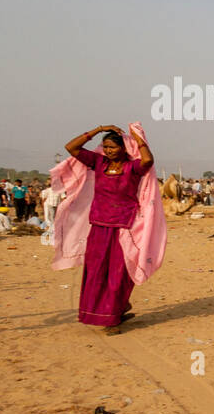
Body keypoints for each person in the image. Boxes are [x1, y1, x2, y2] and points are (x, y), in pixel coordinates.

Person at [61, 124, 154, 330]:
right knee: (96, 270)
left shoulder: (133, 168)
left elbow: (148, 160)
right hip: (99, 225)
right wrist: (97, 130)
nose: (108, 151)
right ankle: (111, 310)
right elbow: (71, 148)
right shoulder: (98, 163)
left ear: (124, 148)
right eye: (105, 147)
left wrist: (137, 138)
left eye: (113, 147)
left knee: (119, 272)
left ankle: (114, 314)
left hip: (124, 226)